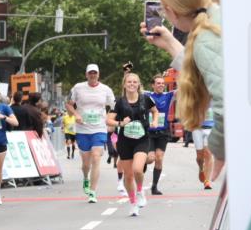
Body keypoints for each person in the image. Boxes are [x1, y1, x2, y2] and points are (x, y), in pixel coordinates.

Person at [141, 0, 223, 179]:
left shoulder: (205, 39)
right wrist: (169, 42)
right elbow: (202, 69)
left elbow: (225, 102)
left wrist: (218, 150)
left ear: (170, 12)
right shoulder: (215, 22)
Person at [107, 72, 158, 216]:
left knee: (137, 169)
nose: (132, 84)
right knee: (128, 176)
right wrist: (120, 123)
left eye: (135, 82)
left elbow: (155, 112)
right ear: (124, 84)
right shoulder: (119, 102)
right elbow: (108, 120)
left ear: (139, 84)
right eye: (129, 82)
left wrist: (154, 121)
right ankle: (133, 202)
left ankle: (140, 190)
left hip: (142, 139)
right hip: (125, 141)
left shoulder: (146, 99)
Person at [66, 64, 115, 203]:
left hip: (99, 128)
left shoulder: (106, 90)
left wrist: (109, 118)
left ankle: (93, 192)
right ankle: (86, 177)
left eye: (95, 73)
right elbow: (69, 104)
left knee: (96, 157)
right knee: (86, 163)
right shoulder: (78, 88)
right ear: (86, 74)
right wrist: (76, 114)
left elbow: (114, 106)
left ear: (98, 74)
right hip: (82, 129)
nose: (93, 75)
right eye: (90, 73)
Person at [145, 74, 175, 195]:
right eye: (158, 83)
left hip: (163, 132)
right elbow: (132, 88)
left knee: (159, 157)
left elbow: (184, 87)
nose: (161, 85)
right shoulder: (147, 95)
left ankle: (154, 186)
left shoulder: (169, 96)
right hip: (150, 132)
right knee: (150, 159)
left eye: (163, 83)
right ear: (153, 85)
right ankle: (141, 164)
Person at [193, 102, 216, 190]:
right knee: (199, 157)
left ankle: (207, 181)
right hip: (197, 128)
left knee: (208, 153)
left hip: (211, 128)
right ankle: (201, 168)